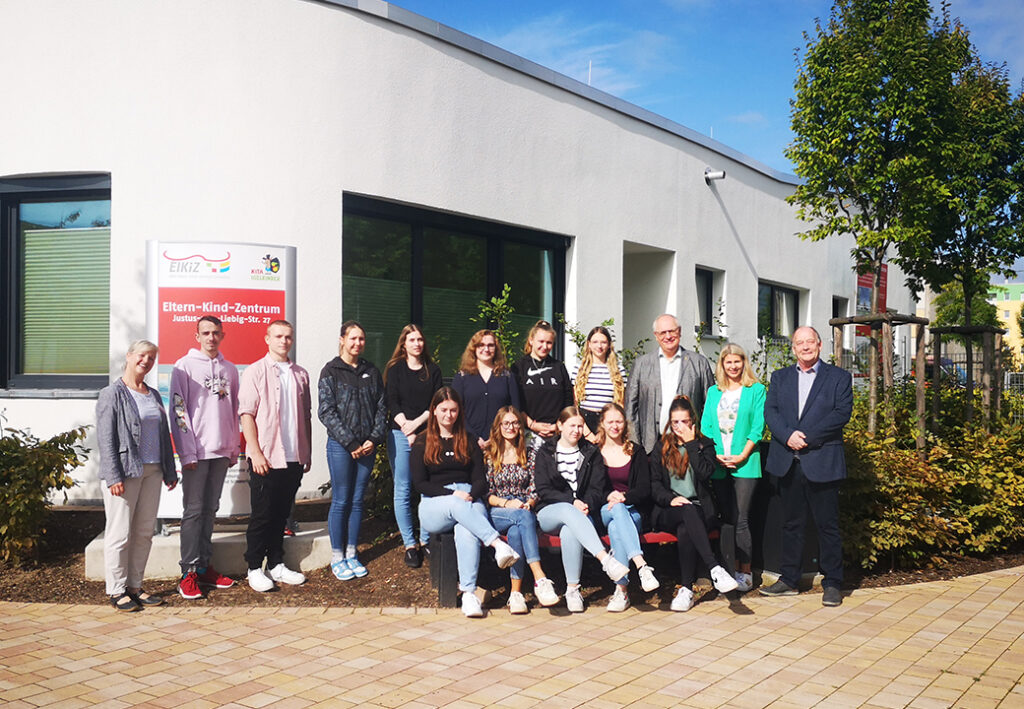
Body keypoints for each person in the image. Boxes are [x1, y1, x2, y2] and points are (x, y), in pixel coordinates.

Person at [760, 326, 852, 607]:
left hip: (822, 460)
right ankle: (789, 579)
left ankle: (833, 583)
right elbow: (770, 411)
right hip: (788, 463)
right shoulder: (780, 377)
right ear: (793, 348)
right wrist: (788, 435)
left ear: (820, 345)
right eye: (799, 343)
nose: (805, 346)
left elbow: (841, 413)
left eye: (809, 341)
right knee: (791, 524)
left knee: (828, 526)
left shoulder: (839, 377)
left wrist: (807, 438)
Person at [411, 388, 521, 618]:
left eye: (453, 410)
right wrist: (451, 494)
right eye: (443, 410)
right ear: (434, 411)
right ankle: (497, 545)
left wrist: (469, 494)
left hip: (468, 498)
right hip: (435, 504)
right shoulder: (422, 441)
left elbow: (480, 480)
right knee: (456, 506)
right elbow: (419, 483)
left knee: (466, 529)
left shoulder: (468, 439)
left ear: (459, 411)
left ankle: (469, 594)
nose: (448, 415)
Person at [96, 340, 178, 612]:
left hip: (152, 471)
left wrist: (169, 469)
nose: (146, 360)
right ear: (129, 356)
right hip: (124, 472)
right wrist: (112, 475)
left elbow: (163, 436)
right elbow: (106, 439)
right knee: (119, 534)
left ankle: (135, 586)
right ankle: (116, 590)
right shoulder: (112, 394)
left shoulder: (153, 394)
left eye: (152, 357)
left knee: (144, 533)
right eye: (142, 355)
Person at [169, 316, 240, 600]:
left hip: (221, 451)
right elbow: (178, 410)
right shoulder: (183, 367)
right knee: (193, 511)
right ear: (196, 335)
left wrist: (233, 447)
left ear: (223, 335)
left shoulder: (231, 369)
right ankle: (187, 572)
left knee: (211, 509)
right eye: (206, 333)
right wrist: (186, 451)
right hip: (196, 453)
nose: (211, 337)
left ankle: (203, 568)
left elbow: (234, 410)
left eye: (216, 333)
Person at [534, 406, 631, 613]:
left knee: (570, 529)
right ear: (560, 425)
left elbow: (598, 488)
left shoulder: (590, 452)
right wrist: (572, 501)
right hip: (549, 513)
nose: (576, 430)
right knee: (570, 512)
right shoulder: (546, 452)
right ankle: (605, 559)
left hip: (581, 514)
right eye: (571, 425)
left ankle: (572, 589)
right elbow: (543, 489)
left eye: (580, 426)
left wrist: (586, 504)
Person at [240, 320, 311, 592]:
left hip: (293, 457)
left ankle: (277, 564)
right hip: (266, 457)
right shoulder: (255, 372)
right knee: (262, 515)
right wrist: (254, 451)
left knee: (282, 514)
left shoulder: (300, 374)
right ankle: (254, 567)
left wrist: (307, 452)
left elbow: (306, 416)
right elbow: (246, 413)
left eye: (288, 336)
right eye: (278, 336)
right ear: (267, 338)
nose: (284, 341)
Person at [649, 396, 739, 611]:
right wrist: (671, 499)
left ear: (693, 421)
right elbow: (654, 485)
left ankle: (686, 590)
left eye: (684, 421)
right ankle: (714, 567)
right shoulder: (661, 446)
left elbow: (706, 472)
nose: (680, 426)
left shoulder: (704, 444)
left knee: (686, 529)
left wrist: (691, 444)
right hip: (668, 510)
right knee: (685, 515)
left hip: (699, 511)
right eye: (675, 422)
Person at [318, 320, 388, 581]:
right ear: (342, 340)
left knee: (358, 501)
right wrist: (350, 443)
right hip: (341, 446)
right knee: (341, 500)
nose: (357, 343)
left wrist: (373, 438)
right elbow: (326, 411)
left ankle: (351, 553)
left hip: (367, 447)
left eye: (361, 339)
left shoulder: (371, 371)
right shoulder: (331, 371)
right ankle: (337, 556)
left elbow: (382, 407)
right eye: (353, 338)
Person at [700, 344, 766, 592]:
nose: (733, 366)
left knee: (741, 519)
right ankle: (728, 569)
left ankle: (745, 571)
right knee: (727, 519)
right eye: (728, 362)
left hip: (746, 463)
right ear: (722, 365)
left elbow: (758, 426)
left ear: (744, 362)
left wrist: (742, 455)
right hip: (719, 463)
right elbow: (706, 426)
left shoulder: (756, 390)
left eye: (737, 361)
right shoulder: (714, 392)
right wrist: (715, 455)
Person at [483, 406, 560, 613]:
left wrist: (530, 503)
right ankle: (539, 577)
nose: (511, 427)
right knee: (522, 517)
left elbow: (536, 487)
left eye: (515, 423)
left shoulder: (530, 453)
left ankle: (515, 595)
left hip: (523, 510)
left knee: (518, 529)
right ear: (498, 426)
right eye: (506, 423)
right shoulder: (490, 455)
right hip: (498, 510)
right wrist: (507, 504)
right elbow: (486, 494)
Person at [384, 324, 443, 569]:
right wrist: (405, 427)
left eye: (420, 339)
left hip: (427, 433)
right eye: (412, 339)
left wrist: (416, 427)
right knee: (403, 489)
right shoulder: (396, 370)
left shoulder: (433, 370)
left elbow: (436, 403)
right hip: (399, 432)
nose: (417, 343)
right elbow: (391, 400)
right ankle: (410, 545)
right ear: (404, 344)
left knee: (427, 489)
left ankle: (426, 539)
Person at [595, 403, 660, 612]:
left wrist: (624, 496)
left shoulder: (636, 451)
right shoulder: (595, 453)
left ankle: (621, 591)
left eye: (619, 421)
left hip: (633, 513)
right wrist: (609, 495)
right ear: (603, 424)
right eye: (610, 421)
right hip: (605, 510)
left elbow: (644, 490)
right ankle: (641, 564)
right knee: (615, 510)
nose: (615, 426)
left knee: (616, 525)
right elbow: (592, 489)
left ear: (625, 424)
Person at [625, 313, 715, 454]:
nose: (668, 336)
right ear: (656, 335)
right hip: (650, 446)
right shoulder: (641, 364)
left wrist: (701, 442)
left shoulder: (699, 363)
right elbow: (630, 408)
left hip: (688, 446)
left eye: (671, 331)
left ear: (679, 331)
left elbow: (710, 406)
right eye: (662, 332)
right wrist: (636, 444)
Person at [452, 329, 519, 450]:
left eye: (490, 345)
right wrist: (474, 437)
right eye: (481, 345)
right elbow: (456, 411)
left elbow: (515, 410)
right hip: (469, 443)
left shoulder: (507, 376)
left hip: (501, 444)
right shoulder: (462, 377)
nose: (486, 349)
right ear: (474, 348)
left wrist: (496, 437)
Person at [512, 320, 573, 449]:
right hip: (528, 434)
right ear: (531, 340)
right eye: (541, 341)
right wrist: (531, 424)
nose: (544, 346)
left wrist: (558, 425)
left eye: (549, 343)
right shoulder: (519, 367)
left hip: (557, 433)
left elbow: (568, 401)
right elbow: (515, 402)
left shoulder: (559, 367)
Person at [571, 325, 627, 442]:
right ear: (589, 344)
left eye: (603, 342)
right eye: (595, 342)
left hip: (609, 424)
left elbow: (621, 403)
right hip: (584, 423)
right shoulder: (579, 369)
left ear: (609, 345)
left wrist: (609, 429)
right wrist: (587, 433)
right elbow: (574, 404)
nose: (599, 346)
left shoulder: (618, 370)